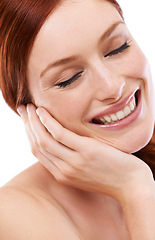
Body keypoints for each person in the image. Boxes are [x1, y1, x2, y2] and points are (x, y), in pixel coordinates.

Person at [0, 0, 155, 239]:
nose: (113, 86)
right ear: (28, 110)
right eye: (69, 78)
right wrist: (135, 187)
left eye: (118, 48)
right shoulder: (13, 213)